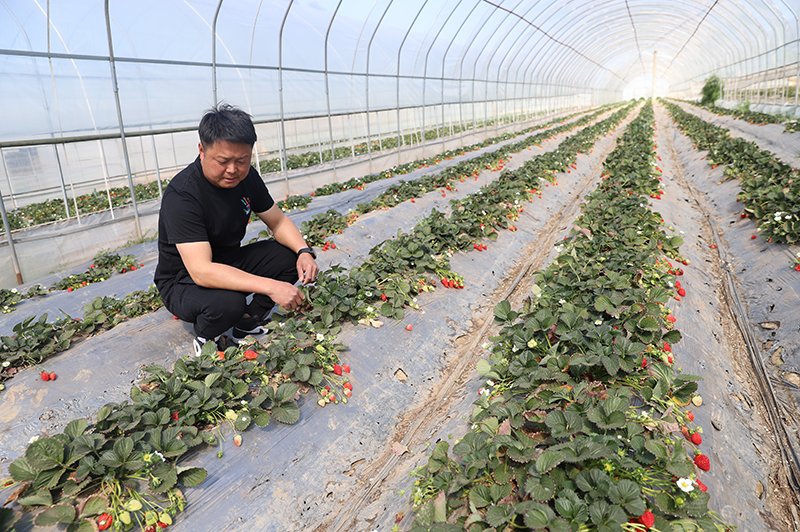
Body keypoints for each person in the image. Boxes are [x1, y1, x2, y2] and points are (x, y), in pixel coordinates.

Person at [154, 103, 319, 356]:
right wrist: (272, 287)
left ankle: (246, 321)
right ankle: (208, 338)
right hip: (184, 280)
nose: (232, 170)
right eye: (223, 161)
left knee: (289, 256)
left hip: (229, 261)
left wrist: (304, 251)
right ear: (202, 150)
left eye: (241, 160)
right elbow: (201, 271)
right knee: (228, 303)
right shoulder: (183, 194)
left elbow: (277, 221)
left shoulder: (247, 177)